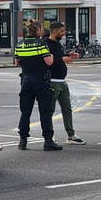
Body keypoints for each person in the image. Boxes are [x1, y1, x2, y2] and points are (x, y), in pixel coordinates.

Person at [15, 20, 62, 151]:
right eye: (41, 29)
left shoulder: (20, 44)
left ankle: (22, 141)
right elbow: (49, 62)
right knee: (45, 112)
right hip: (41, 81)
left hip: (25, 81)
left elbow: (16, 62)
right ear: (38, 31)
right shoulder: (41, 44)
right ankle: (48, 141)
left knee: (25, 112)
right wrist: (51, 55)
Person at [45, 22, 85, 145]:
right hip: (52, 82)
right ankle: (49, 137)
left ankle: (71, 135)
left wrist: (68, 56)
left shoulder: (57, 44)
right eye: (62, 31)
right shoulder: (46, 44)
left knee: (67, 109)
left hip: (62, 82)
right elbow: (49, 61)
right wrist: (63, 59)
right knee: (49, 110)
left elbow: (59, 57)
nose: (64, 34)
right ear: (55, 31)